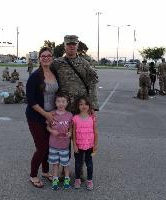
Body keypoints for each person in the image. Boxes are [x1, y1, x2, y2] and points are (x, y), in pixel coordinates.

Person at [51, 34, 99, 181]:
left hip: (80, 109)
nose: (71, 46)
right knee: (63, 139)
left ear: (77, 45)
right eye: (69, 44)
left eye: (74, 44)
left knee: (80, 141)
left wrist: (93, 107)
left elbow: (93, 83)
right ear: (64, 45)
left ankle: (79, 171)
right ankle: (61, 171)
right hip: (63, 109)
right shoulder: (57, 63)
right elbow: (48, 78)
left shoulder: (85, 63)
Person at [26, 47, 58, 188]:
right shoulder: (35, 76)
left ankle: (45, 171)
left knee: (48, 146)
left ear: (52, 58)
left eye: (48, 55)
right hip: (36, 116)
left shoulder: (54, 73)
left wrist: (56, 112)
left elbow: (59, 93)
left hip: (52, 115)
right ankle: (33, 175)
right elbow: (31, 100)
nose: (46, 57)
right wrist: (46, 114)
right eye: (43, 56)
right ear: (39, 58)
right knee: (42, 147)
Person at [46, 92, 73, 190]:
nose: (61, 104)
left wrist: (70, 133)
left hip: (64, 146)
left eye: (63, 101)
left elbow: (71, 128)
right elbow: (47, 127)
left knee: (65, 164)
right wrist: (52, 130)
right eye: (58, 101)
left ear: (67, 103)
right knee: (55, 164)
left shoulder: (69, 115)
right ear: (55, 103)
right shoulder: (51, 114)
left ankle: (67, 180)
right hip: (53, 144)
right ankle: (55, 180)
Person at [72, 96, 98, 190]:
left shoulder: (92, 118)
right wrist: (74, 144)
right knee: (78, 163)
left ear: (89, 106)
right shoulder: (75, 118)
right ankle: (77, 179)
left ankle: (90, 180)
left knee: (89, 163)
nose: (84, 106)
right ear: (78, 106)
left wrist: (95, 144)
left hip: (89, 145)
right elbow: (73, 133)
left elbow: (95, 132)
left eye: (86, 104)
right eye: (81, 104)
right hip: (78, 145)